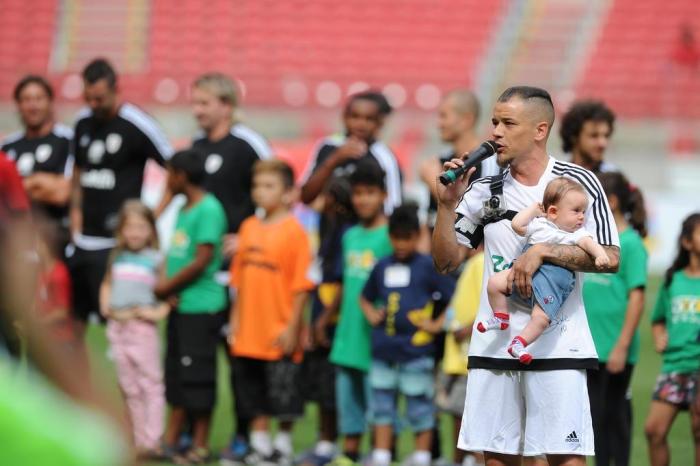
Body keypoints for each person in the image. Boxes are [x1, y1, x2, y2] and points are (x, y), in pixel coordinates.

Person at [432, 86, 620, 466]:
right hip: (495, 343)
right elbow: (447, 262)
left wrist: (544, 251)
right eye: (495, 122)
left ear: (540, 129)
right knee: (498, 458)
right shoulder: (484, 189)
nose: (496, 132)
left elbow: (611, 258)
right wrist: (446, 206)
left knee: (565, 457)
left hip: (558, 343)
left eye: (508, 123)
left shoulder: (578, 183)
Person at [69, 58, 173, 329]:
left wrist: (149, 218)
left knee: (121, 329)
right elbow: (78, 174)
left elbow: (176, 171)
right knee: (73, 325)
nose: (93, 105)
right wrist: (76, 219)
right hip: (84, 241)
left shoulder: (137, 123)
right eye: (88, 98)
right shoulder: (82, 122)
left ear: (117, 89)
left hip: (119, 247)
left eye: (99, 98)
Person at [225, 159, 314, 465]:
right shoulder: (247, 228)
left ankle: (283, 444)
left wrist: (292, 327)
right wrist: (234, 320)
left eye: (268, 186)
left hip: (279, 328)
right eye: (256, 186)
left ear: (288, 193)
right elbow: (237, 281)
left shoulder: (295, 233)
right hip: (249, 329)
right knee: (252, 391)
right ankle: (260, 444)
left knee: (284, 392)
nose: (260, 192)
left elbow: (302, 286)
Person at [477, 177, 611, 364]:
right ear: (553, 212)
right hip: (524, 274)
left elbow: (590, 244)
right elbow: (517, 225)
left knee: (540, 318)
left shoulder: (575, 235)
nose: (582, 217)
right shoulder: (540, 224)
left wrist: (600, 255)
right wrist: (533, 210)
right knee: (494, 283)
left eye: (583, 211)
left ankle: (519, 343)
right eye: (576, 211)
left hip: (552, 282)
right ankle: (500, 316)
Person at [360, 204, 455, 466]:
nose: (401, 244)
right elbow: (365, 297)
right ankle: (381, 455)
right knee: (381, 406)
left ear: (417, 236)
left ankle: (422, 456)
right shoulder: (381, 266)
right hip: (384, 350)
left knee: (420, 406)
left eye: (407, 238)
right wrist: (370, 313)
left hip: (416, 352)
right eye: (396, 238)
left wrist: (437, 324)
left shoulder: (427, 266)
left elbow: (452, 297)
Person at [155, 149, 227, 464]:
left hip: (202, 306)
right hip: (182, 305)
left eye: (170, 173)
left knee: (198, 376)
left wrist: (166, 287)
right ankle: (172, 440)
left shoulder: (208, 209)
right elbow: (178, 256)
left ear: (181, 176)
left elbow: (201, 260)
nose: (167, 180)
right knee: (177, 374)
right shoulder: (185, 208)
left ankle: (199, 443)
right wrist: (170, 290)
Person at [326, 160, 394, 465]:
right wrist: (325, 316)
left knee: (378, 402)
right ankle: (349, 453)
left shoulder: (392, 236)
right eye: (357, 193)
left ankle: (378, 453)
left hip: (377, 335)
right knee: (348, 400)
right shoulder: (349, 235)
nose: (362, 200)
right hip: (348, 333)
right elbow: (345, 283)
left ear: (383, 194)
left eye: (369, 193)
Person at [584, 172, 648, 466]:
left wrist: (622, 346)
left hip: (615, 347)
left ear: (610, 201)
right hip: (590, 346)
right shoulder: (592, 240)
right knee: (595, 420)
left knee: (616, 420)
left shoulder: (631, 242)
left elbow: (637, 296)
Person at [99, 200, 168, 458]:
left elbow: (166, 294)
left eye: (141, 227)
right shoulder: (117, 256)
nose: (135, 233)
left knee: (150, 384)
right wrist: (105, 303)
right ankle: (139, 440)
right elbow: (107, 283)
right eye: (130, 227)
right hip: (118, 327)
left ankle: (153, 439)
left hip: (142, 328)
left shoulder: (156, 259)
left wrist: (157, 311)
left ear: (151, 229)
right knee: (128, 386)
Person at [297, 177, 356, 466]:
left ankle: (339, 444)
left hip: (336, 315)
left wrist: (322, 320)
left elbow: (343, 281)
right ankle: (325, 442)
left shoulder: (346, 231)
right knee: (322, 381)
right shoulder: (326, 227)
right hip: (323, 306)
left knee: (334, 382)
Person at [644, 212, 700, 466]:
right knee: (653, 431)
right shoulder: (672, 279)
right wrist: (659, 338)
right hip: (674, 365)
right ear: (687, 242)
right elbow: (658, 320)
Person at [300, 90, 402, 213]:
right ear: (344, 117)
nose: (361, 124)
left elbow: (393, 205)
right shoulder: (327, 146)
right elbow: (305, 196)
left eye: (369, 119)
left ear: (379, 123)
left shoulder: (385, 157)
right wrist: (334, 160)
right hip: (329, 230)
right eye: (355, 117)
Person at [1, 75, 73, 243]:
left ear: (50, 102)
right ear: (18, 105)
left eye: (39, 99)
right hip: (14, 241)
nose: (33, 106)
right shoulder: (7, 146)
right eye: (26, 100)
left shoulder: (67, 140)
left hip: (55, 237)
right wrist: (40, 182)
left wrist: (16, 186)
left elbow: (62, 193)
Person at [420, 89, 500, 229]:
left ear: (466, 120)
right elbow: (432, 218)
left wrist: (435, 185)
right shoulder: (441, 161)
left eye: (444, 116)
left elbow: (491, 218)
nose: (439, 124)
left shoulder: (490, 163)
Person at [437, 248, 485, 466]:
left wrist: (467, 329)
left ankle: (468, 458)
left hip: (471, 351)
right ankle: (463, 458)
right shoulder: (471, 264)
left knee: (465, 412)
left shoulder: (483, 262)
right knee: (458, 410)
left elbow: (492, 303)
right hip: (460, 353)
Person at [559, 100, 617, 174]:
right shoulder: (557, 178)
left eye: (606, 136)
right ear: (574, 136)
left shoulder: (616, 180)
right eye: (594, 135)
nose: (603, 143)